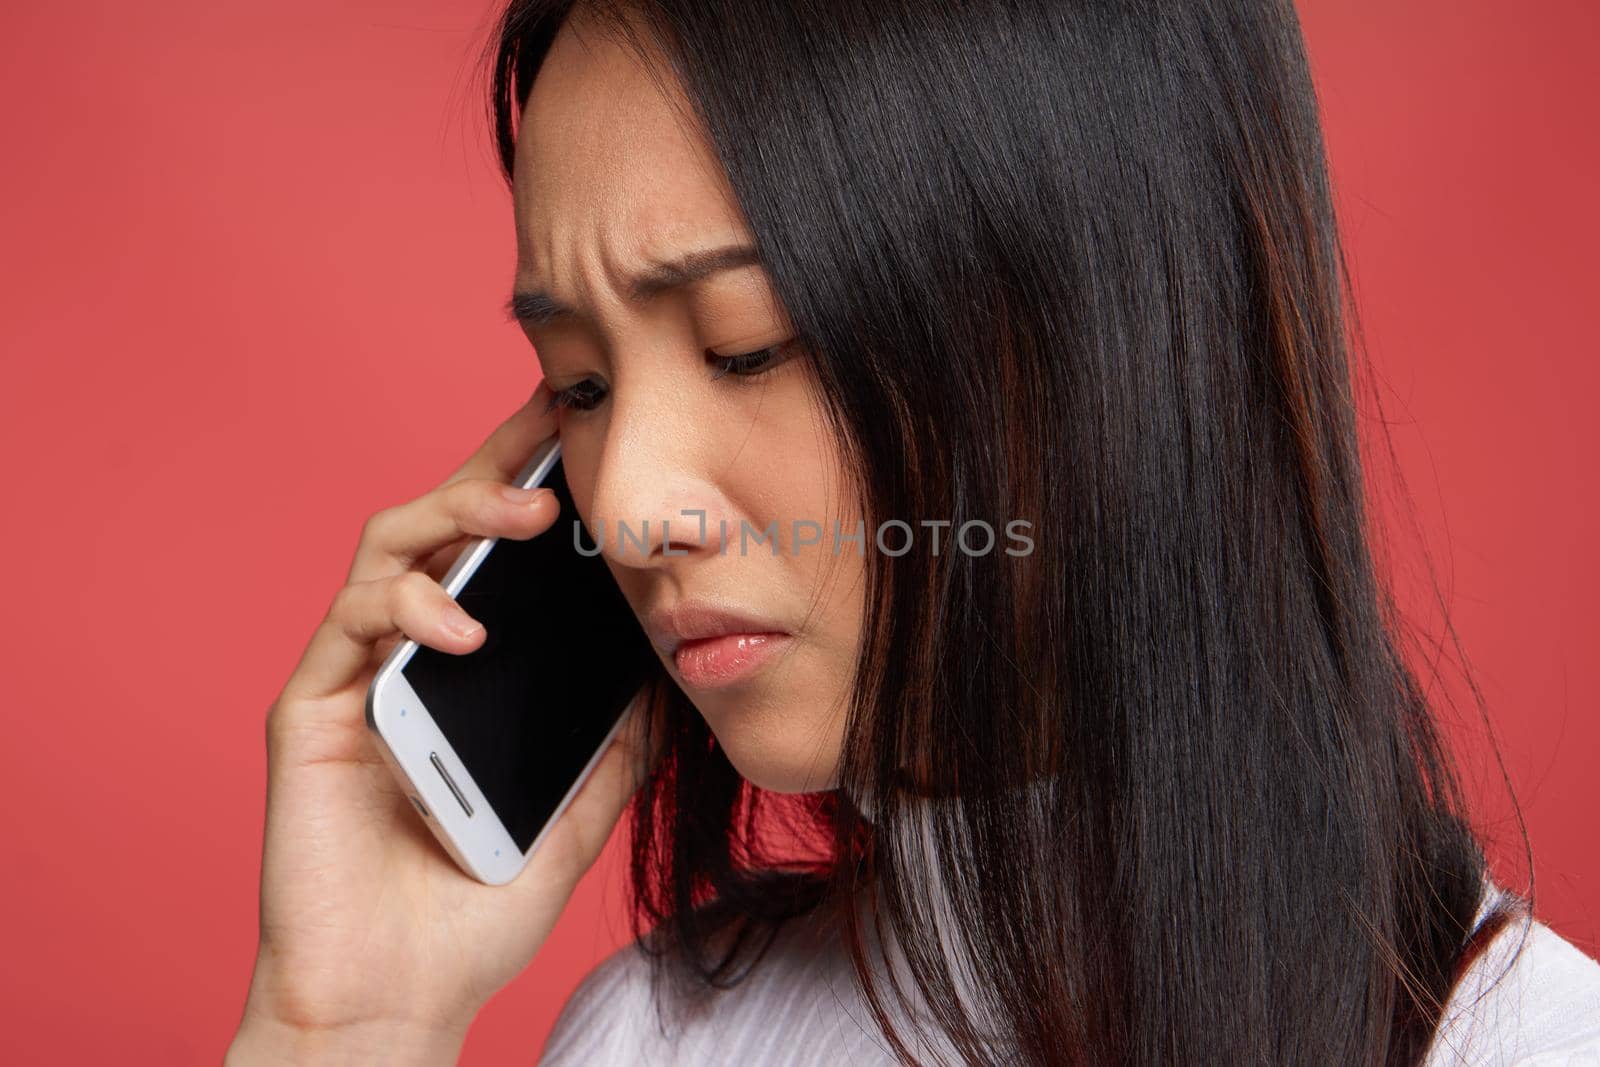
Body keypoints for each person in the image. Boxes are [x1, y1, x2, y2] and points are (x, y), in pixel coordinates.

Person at [225, 1, 1600, 1063]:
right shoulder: (660, 1036)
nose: (630, 508)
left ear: (1108, 336)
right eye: (581, 385)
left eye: (751, 345)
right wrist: (338, 1032)